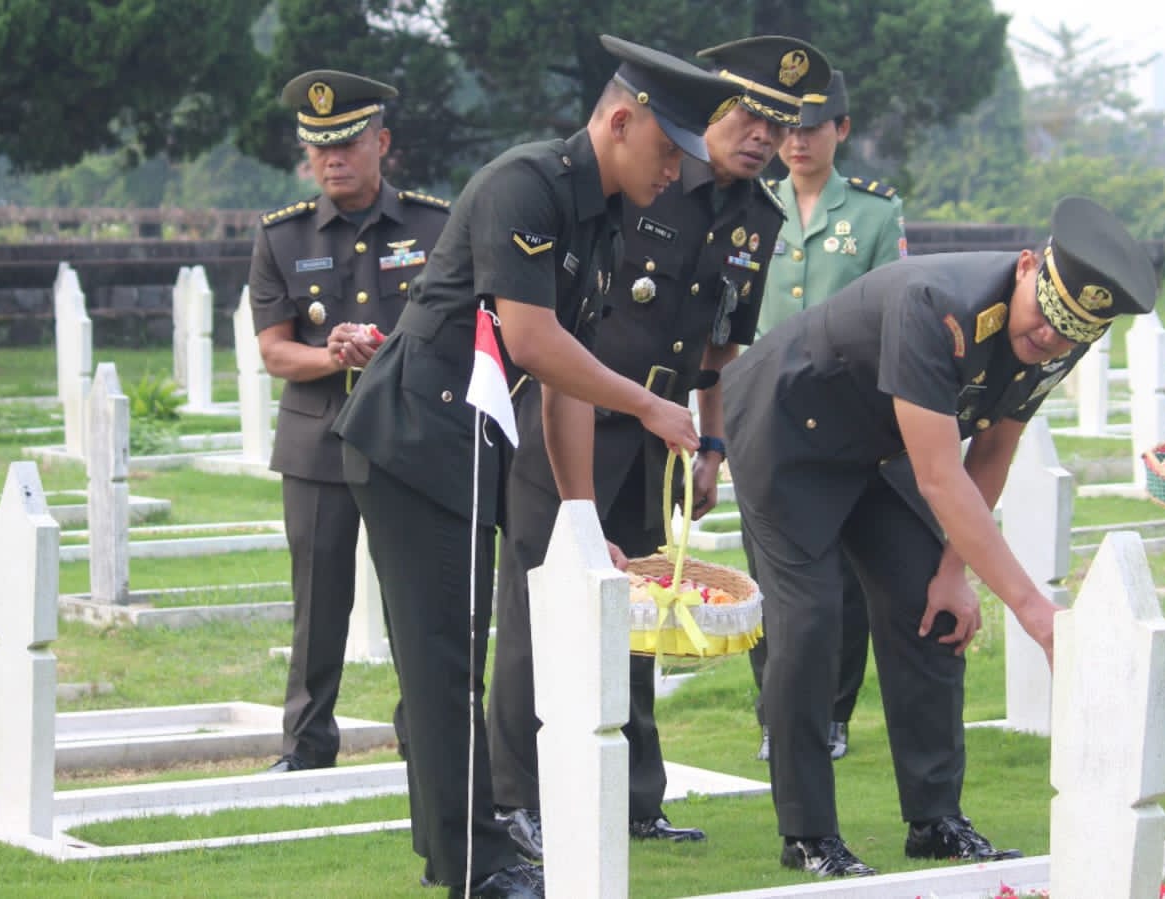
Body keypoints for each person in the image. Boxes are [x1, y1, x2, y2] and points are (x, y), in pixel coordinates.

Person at [331, 36, 740, 899]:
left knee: (446, 662)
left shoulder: (600, 218)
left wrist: (582, 521)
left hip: (469, 447)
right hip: (409, 439)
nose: (676, 170)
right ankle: (479, 865)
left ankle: (461, 849)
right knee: (444, 664)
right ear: (618, 121)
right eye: (667, 149)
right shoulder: (528, 185)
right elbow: (532, 340)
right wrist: (650, 403)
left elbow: (561, 381)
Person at [724, 195, 1155, 876]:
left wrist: (954, 572)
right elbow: (939, 476)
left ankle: (935, 819)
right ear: (1024, 267)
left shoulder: (1060, 337)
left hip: (879, 444)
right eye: (1044, 316)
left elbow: (991, 453)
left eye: (1068, 333)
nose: (1047, 338)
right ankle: (806, 833)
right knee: (808, 624)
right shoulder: (935, 302)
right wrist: (1033, 609)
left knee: (931, 610)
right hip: (788, 432)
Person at [486, 34, 826, 855]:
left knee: (639, 617)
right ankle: (513, 799)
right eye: (747, 115)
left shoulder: (757, 219)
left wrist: (708, 444)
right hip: (569, 423)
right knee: (539, 617)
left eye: (776, 127)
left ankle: (637, 794)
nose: (760, 137)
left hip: (659, 438)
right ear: (706, 113)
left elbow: (718, 348)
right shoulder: (636, 184)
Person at [248, 69, 450, 775]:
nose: (332, 159)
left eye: (348, 143)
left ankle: (425, 738)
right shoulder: (281, 237)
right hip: (317, 440)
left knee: (415, 601)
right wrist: (328, 353)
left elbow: (459, 328)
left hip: (407, 441)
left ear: (381, 144)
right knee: (318, 602)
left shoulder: (434, 226)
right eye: (319, 147)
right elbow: (274, 349)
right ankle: (305, 745)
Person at [746, 69, 909, 764]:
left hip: (844, 415)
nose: (796, 141)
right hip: (764, 413)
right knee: (767, 574)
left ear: (840, 129)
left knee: (840, 580)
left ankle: (833, 713)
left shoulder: (873, 213)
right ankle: (773, 713)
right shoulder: (750, 204)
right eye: (786, 128)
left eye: (811, 127)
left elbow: (892, 310)